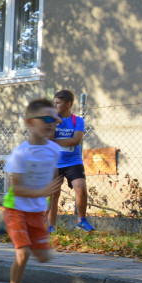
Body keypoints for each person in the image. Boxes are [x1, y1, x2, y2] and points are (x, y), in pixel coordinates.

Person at [2, 98, 63, 283]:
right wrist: (42, 192)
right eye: (46, 118)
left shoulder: (55, 150)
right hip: (15, 207)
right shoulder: (20, 153)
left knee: (44, 257)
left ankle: (8, 231)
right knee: (23, 253)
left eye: (55, 119)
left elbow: (52, 179)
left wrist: (46, 199)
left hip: (37, 210)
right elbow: (16, 189)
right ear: (30, 122)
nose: (52, 123)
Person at [47, 89, 94, 233]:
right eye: (53, 104)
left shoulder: (77, 121)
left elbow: (76, 140)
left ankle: (81, 221)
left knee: (81, 188)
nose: (54, 107)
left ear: (68, 104)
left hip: (73, 162)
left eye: (58, 104)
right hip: (55, 163)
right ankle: (51, 226)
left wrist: (55, 141)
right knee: (53, 194)